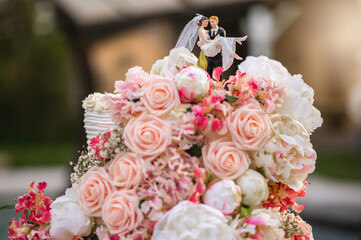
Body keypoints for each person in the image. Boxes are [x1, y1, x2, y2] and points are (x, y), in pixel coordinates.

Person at [175, 14, 247, 75]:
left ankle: (235, 44)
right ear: (202, 22)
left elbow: (211, 33)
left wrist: (216, 37)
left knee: (221, 39)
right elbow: (206, 41)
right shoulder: (200, 31)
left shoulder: (206, 31)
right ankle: (236, 43)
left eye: (207, 22)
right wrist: (215, 39)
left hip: (209, 46)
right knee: (220, 39)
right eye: (205, 22)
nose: (207, 23)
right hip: (206, 48)